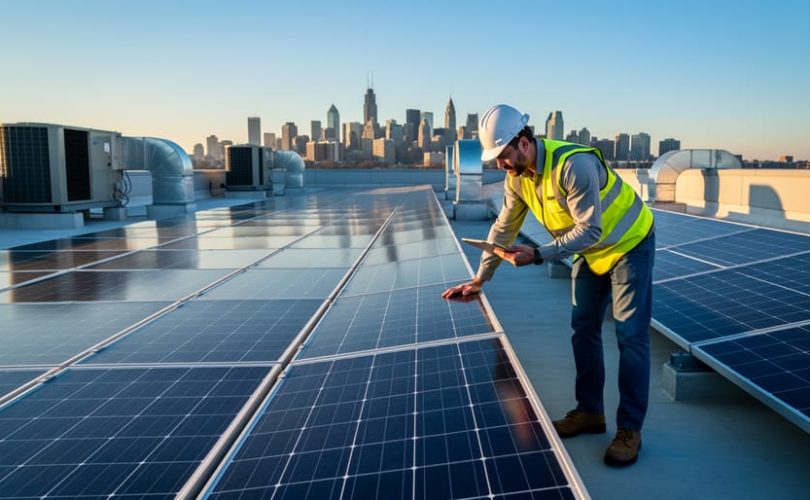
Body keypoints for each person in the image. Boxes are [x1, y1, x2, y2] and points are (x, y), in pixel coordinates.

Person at [442, 104, 655, 467]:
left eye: (504, 157)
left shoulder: (573, 165)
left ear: (523, 144)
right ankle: (590, 412)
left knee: (630, 337)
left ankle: (629, 430)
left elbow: (590, 229)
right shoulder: (518, 179)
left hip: (628, 244)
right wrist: (481, 278)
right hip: (590, 253)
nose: (500, 165)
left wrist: (539, 254)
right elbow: (503, 229)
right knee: (583, 328)